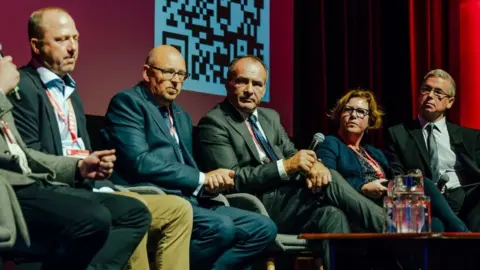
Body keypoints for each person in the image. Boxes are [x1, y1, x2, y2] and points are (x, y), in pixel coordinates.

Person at [9, 7, 193, 270]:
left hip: (88, 186)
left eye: (75, 39)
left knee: (172, 210)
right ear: (36, 46)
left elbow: (79, 147)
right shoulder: (24, 88)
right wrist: (79, 169)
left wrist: (95, 168)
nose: (72, 47)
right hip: (56, 190)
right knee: (127, 212)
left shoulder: (71, 92)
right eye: (61, 40)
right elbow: (28, 159)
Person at [196, 55, 390, 269]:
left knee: (332, 215)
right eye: (242, 81)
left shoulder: (270, 117)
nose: (250, 89)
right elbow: (233, 178)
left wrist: (315, 165)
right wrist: (285, 167)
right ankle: (391, 226)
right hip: (256, 204)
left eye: (257, 84)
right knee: (331, 178)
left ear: (264, 88)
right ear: (228, 83)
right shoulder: (214, 122)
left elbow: (294, 153)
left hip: (291, 199)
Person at [103, 45, 277, 270]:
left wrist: (209, 185)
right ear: (147, 73)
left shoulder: (181, 116)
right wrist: (202, 179)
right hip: (156, 197)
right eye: (168, 72)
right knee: (220, 227)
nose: (176, 81)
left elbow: (187, 166)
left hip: (192, 200)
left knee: (262, 227)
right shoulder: (128, 103)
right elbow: (140, 161)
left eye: (181, 75)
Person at [0, 53, 150, 269]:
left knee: (134, 213)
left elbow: (23, 154)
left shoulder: (72, 93)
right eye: (62, 39)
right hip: (9, 189)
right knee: (92, 217)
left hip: (31, 183)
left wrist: (78, 167)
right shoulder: (17, 89)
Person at [316, 88, 467, 233]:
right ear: (340, 114)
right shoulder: (331, 143)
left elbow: (394, 179)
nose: (353, 115)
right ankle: (463, 232)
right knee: (425, 190)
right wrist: (362, 187)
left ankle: (456, 235)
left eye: (361, 112)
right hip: (360, 207)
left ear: (370, 120)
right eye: (348, 110)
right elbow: (330, 182)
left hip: (388, 203)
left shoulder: (373, 152)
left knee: (435, 222)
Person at [385, 69, 480, 232]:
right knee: (435, 226)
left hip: (464, 199)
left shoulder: (470, 137)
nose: (430, 95)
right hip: (425, 201)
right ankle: (462, 232)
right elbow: (397, 178)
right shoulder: (398, 134)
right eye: (426, 89)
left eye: (438, 92)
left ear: (450, 102)